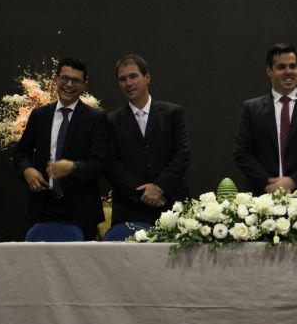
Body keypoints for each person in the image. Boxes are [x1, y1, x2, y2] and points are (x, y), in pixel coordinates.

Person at [13, 57, 107, 240]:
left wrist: (73, 167)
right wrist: (26, 169)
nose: (69, 85)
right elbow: (20, 152)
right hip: (42, 206)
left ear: (84, 85)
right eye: (64, 78)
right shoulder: (39, 115)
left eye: (76, 80)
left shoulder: (95, 119)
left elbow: (100, 163)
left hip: (81, 210)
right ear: (55, 80)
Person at [233, 43, 297, 201]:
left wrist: (293, 181)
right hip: (262, 199)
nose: (288, 72)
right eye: (281, 67)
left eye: (293, 66)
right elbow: (242, 153)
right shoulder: (251, 108)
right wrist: (270, 185)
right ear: (269, 71)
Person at [106, 54, 190, 226]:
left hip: (171, 203)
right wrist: (145, 193)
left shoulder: (172, 113)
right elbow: (112, 165)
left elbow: (182, 154)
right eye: (122, 79)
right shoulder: (111, 121)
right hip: (130, 207)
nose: (128, 83)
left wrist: (159, 187)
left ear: (147, 77)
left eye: (133, 76)